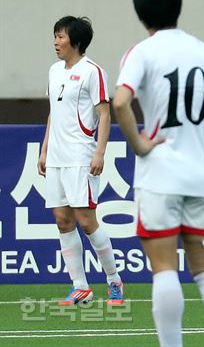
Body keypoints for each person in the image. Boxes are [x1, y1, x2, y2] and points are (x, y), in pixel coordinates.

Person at [113, 0, 204, 347]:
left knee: (165, 271)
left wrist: (139, 144)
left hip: (159, 178)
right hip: (197, 177)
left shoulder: (141, 52)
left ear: (141, 13)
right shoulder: (201, 50)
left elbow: (120, 101)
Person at [38, 16, 124, 306]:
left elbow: (104, 113)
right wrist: (44, 150)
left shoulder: (93, 71)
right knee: (62, 220)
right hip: (57, 158)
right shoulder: (53, 70)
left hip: (81, 156)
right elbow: (53, 113)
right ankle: (80, 287)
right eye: (55, 36)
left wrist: (100, 152)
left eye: (60, 37)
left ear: (75, 40)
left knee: (86, 221)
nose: (55, 42)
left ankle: (114, 280)